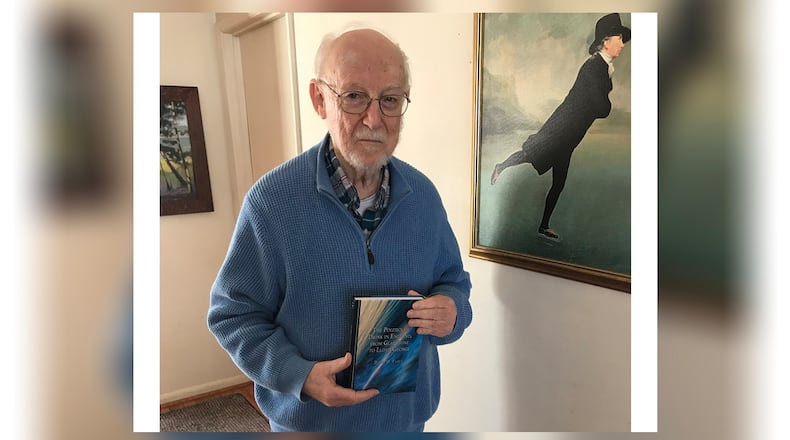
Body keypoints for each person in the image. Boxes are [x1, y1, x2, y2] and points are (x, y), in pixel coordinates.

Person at [207, 27, 473, 432]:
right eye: (353, 97)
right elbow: (233, 315)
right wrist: (298, 374)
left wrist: (452, 311)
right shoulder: (272, 202)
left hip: (406, 425)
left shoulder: (424, 197)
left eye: (390, 100)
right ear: (319, 99)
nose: (374, 119)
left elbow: (453, 281)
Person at [489, 13, 631, 242]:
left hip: (570, 135)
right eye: (619, 38)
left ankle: (543, 226)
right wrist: (604, 98)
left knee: (558, 182)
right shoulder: (593, 68)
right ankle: (501, 166)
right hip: (561, 130)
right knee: (530, 153)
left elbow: (597, 104)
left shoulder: (602, 69)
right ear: (606, 41)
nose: (622, 44)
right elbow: (601, 107)